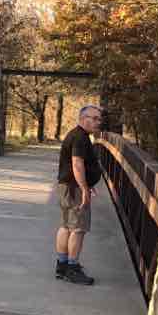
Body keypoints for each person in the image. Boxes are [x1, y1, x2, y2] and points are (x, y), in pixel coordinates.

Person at [55, 105, 103, 285]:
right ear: (83, 119)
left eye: (99, 119)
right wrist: (84, 188)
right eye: (94, 118)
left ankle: (62, 266)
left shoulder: (76, 135)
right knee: (78, 229)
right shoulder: (80, 138)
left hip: (67, 186)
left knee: (66, 226)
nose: (98, 122)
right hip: (74, 189)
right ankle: (72, 269)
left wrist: (88, 184)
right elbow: (77, 164)